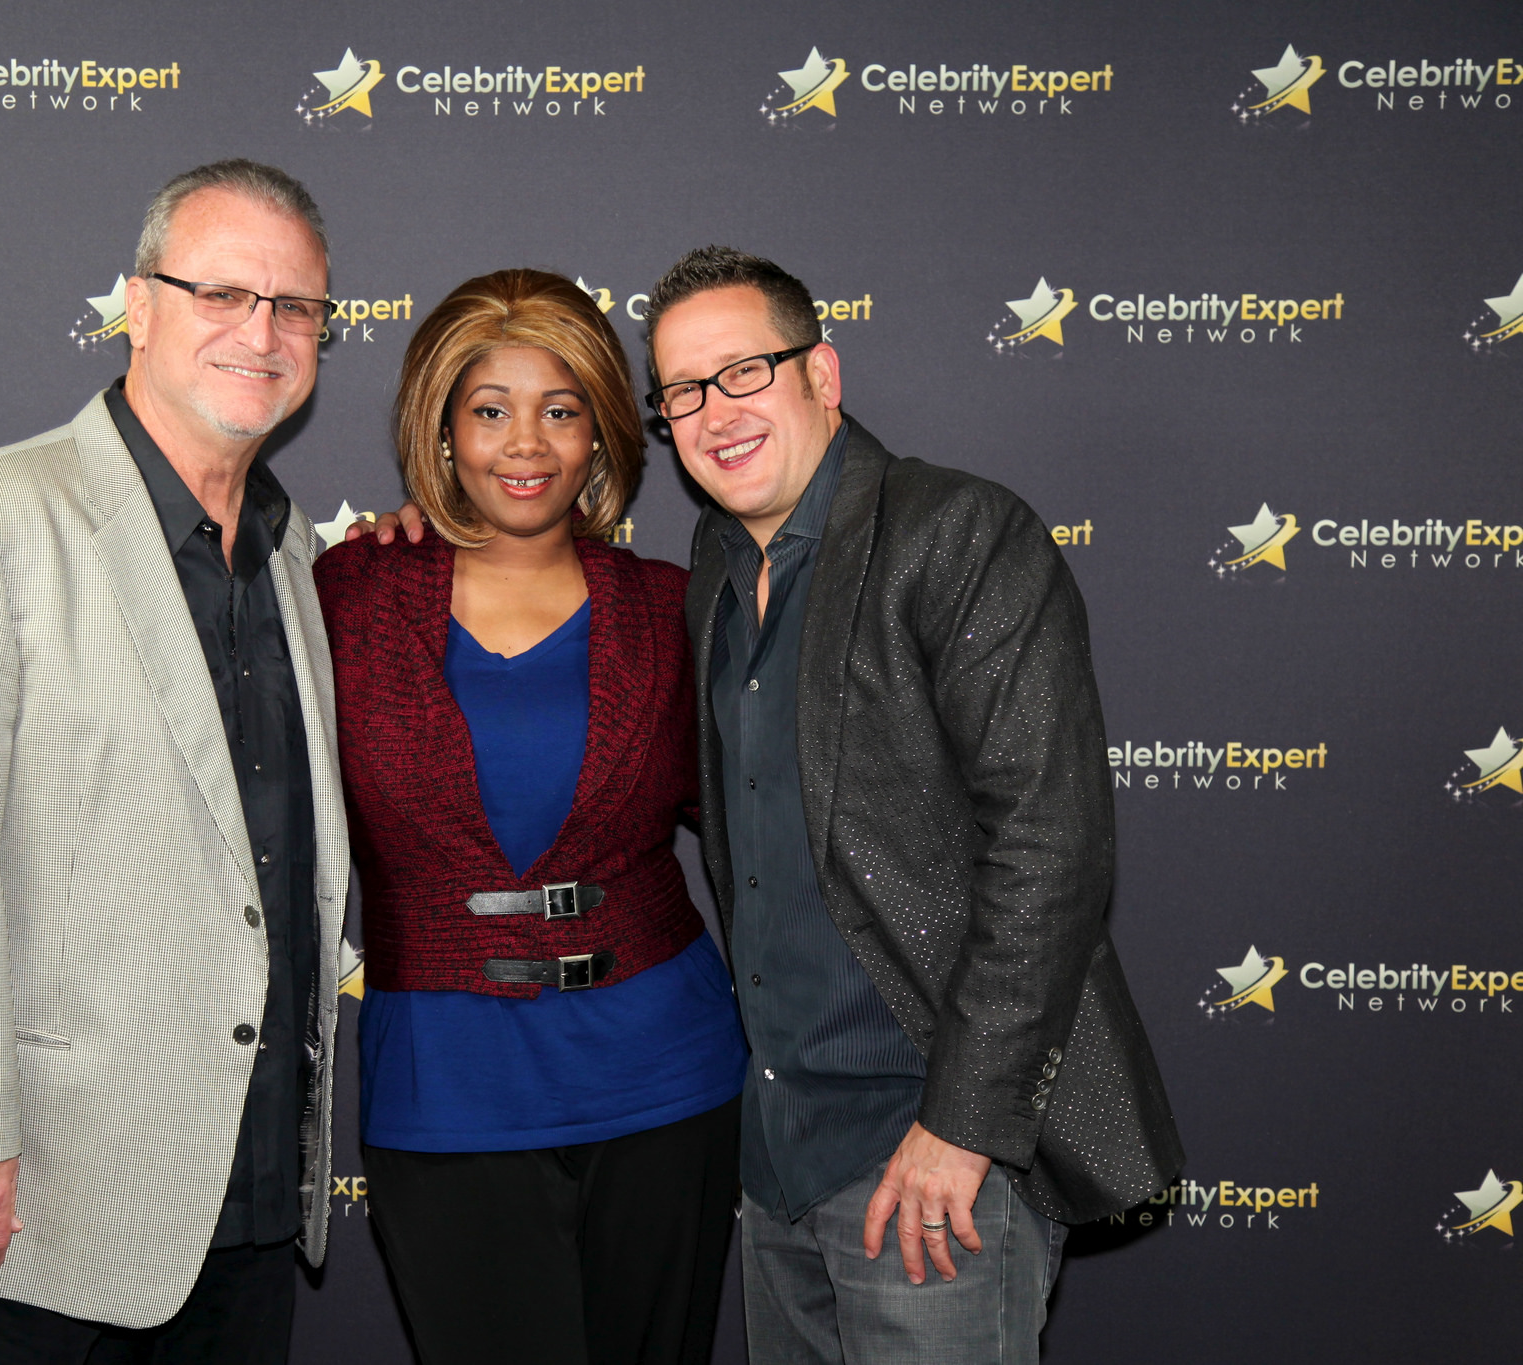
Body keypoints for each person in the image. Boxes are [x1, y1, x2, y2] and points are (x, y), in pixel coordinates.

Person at [360, 248, 1183, 1364]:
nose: (715, 413)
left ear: (822, 374)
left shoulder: (952, 533)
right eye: (685, 393)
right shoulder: (709, 573)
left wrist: (962, 1128)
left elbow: (1050, 849)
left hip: (925, 1149)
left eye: (744, 372)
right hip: (773, 1149)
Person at [0, 159, 350, 1364]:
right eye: (219, 293)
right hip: (22, 1209)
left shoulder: (293, 555)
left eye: (294, 307)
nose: (259, 333)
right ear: (138, 306)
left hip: (242, 1199)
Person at [314, 269, 747, 1365]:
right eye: (489, 410)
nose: (525, 444)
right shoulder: (350, 594)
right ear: (441, 431)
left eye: (559, 410)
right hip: (445, 1093)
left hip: (667, 1077)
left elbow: (765, 819)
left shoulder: (670, 607)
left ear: (601, 432)